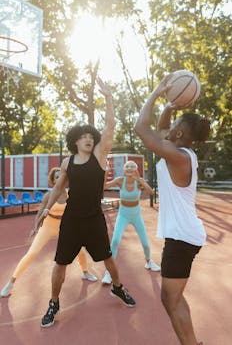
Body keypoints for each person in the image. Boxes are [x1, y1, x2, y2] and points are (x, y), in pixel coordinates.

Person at [39, 78, 135, 328]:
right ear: (75, 142)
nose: (88, 140)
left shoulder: (99, 157)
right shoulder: (67, 163)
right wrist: (45, 210)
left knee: (109, 260)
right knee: (60, 264)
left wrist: (109, 98)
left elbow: (111, 126)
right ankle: (54, 303)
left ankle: (117, 287)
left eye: (90, 136)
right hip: (71, 220)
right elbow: (57, 188)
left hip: (94, 219)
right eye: (82, 137)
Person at [135, 74, 209, 345]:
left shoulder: (178, 156)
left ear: (179, 134)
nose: (168, 127)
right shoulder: (179, 151)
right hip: (183, 234)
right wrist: (169, 108)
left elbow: (141, 128)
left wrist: (156, 94)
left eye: (175, 124)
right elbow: (162, 128)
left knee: (170, 298)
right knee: (173, 298)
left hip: (182, 237)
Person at [0, 167, 97, 298]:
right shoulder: (48, 195)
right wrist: (35, 227)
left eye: (62, 176)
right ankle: (11, 282)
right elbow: (39, 213)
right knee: (32, 253)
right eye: (57, 177)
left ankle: (85, 272)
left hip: (65, 226)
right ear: (53, 180)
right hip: (48, 225)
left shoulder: (71, 194)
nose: (60, 179)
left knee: (80, 250)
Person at [102, 160, 160, 285]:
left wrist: (140, 180)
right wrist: (106, 172)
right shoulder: (120, 180)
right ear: (124, 169)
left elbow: (150, 192)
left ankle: (149, 261)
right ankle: (108, 273)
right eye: (127, 166)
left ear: (135, 169)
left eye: (132, 166)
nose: (129, 168)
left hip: (136, 215)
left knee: (145, 243)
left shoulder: (138, 181)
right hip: (123, 214)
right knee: (115, 241)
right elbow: (104, 187)